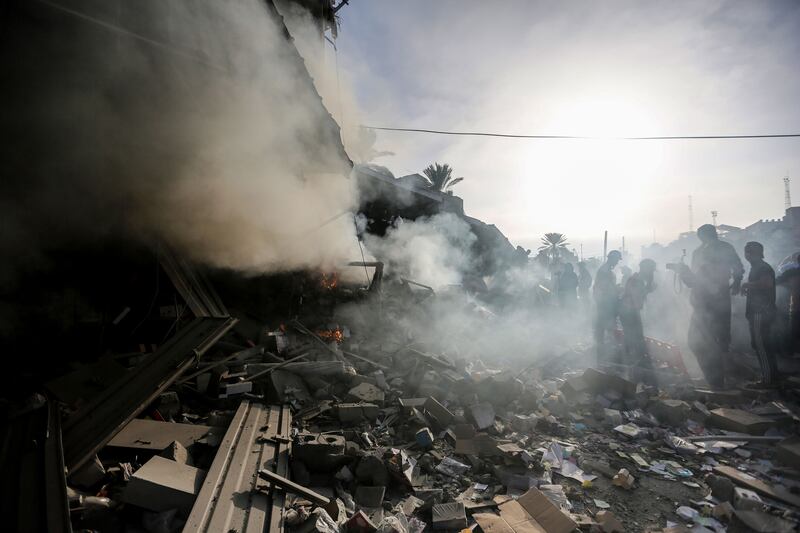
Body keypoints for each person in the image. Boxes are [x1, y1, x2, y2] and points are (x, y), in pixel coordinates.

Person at [679, 224, 744, 389]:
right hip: (701, 301)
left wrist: (736, 282)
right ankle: (715, 378)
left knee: (716, 340)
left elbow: (738, 268)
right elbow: (693, 281)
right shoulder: (698, 252)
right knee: (698, 341)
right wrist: (684, 272)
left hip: (717, 299)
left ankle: (718, 381)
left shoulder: (723, 248)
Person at [741, 242, 778, 387]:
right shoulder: (757, 267)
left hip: (760, 312)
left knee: (760, 345)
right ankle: (773, 377)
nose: (747, 255)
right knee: (764, 345)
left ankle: (768, 380)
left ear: (756, 253)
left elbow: (766, 284)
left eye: (749, 252)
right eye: (746, 252)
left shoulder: (762, 267)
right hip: (761, 312)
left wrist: (747, 285)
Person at [619, 259, 657, 383]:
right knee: (634, 337)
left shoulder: (639, 280)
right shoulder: (636, 280)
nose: (652, 273)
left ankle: (635, 363)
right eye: (651, 270)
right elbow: (636, 298)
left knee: (635, 337)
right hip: (628, 312)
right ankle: (632, 366)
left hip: (631, 311)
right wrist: (648, 289)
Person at [594, 250, 622, 363]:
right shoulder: (604, 271)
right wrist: (616, 290)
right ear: (612, 259)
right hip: (605, 304)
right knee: (606, 328)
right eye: (616, 260)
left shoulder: (608, 270)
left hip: (606, 303)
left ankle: (605, 353)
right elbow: (603, 288)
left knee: (606, 327)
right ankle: (604, 356)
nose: (617, 263)